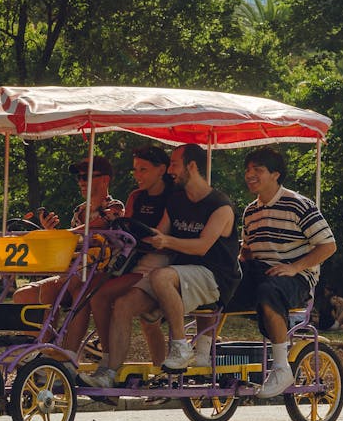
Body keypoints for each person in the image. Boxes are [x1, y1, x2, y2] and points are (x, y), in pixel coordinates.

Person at [83, 144, 240, 388]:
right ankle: (108, 374)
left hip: (215, 278)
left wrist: (166, 241)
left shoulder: (220, 205)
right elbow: (159, 233)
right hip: (178, 275)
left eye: (174, 164)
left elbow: (202, 247)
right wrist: (124, 235)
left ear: (192, 166)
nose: (170, 170)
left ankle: (180, 347)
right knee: (123, 304)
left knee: (161, 276)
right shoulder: (177, 200)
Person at [225, 146, 336, 396]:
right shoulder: (251, 211)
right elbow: (248, 251)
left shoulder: (298, 205)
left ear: (275, 174)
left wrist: (294, 267)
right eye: (248, 170)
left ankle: (281, 367)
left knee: (269, 290)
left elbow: (328, 245)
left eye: (258, 170)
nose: (250, 175)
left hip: (296, 277)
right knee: (220, 284)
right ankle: (202, 352)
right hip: (260, 272)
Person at [13, 155, 126, 350]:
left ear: (105, 179)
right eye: (79, 177)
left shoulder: (115, 207)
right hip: (74, 272)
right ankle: (43, 350)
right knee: (23, 295)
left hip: (100, 275)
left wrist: (64, 234)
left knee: (73, 289)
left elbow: (93, 227)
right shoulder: (79, 211)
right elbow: (72, 244)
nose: (81, 182)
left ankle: (63, 352)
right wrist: (52, 233)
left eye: (86, 177)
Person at [87, 145, 174, 369]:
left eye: (143, 169)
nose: (137, 175)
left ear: (161, 170)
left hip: (159, 262)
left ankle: (110, 361)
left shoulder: (173, 196)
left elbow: (159, 237)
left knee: (104, 297)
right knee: (93, 291)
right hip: (133, 258)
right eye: (135, 169)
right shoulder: (136, 196)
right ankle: (113, 357)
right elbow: (127, 229)